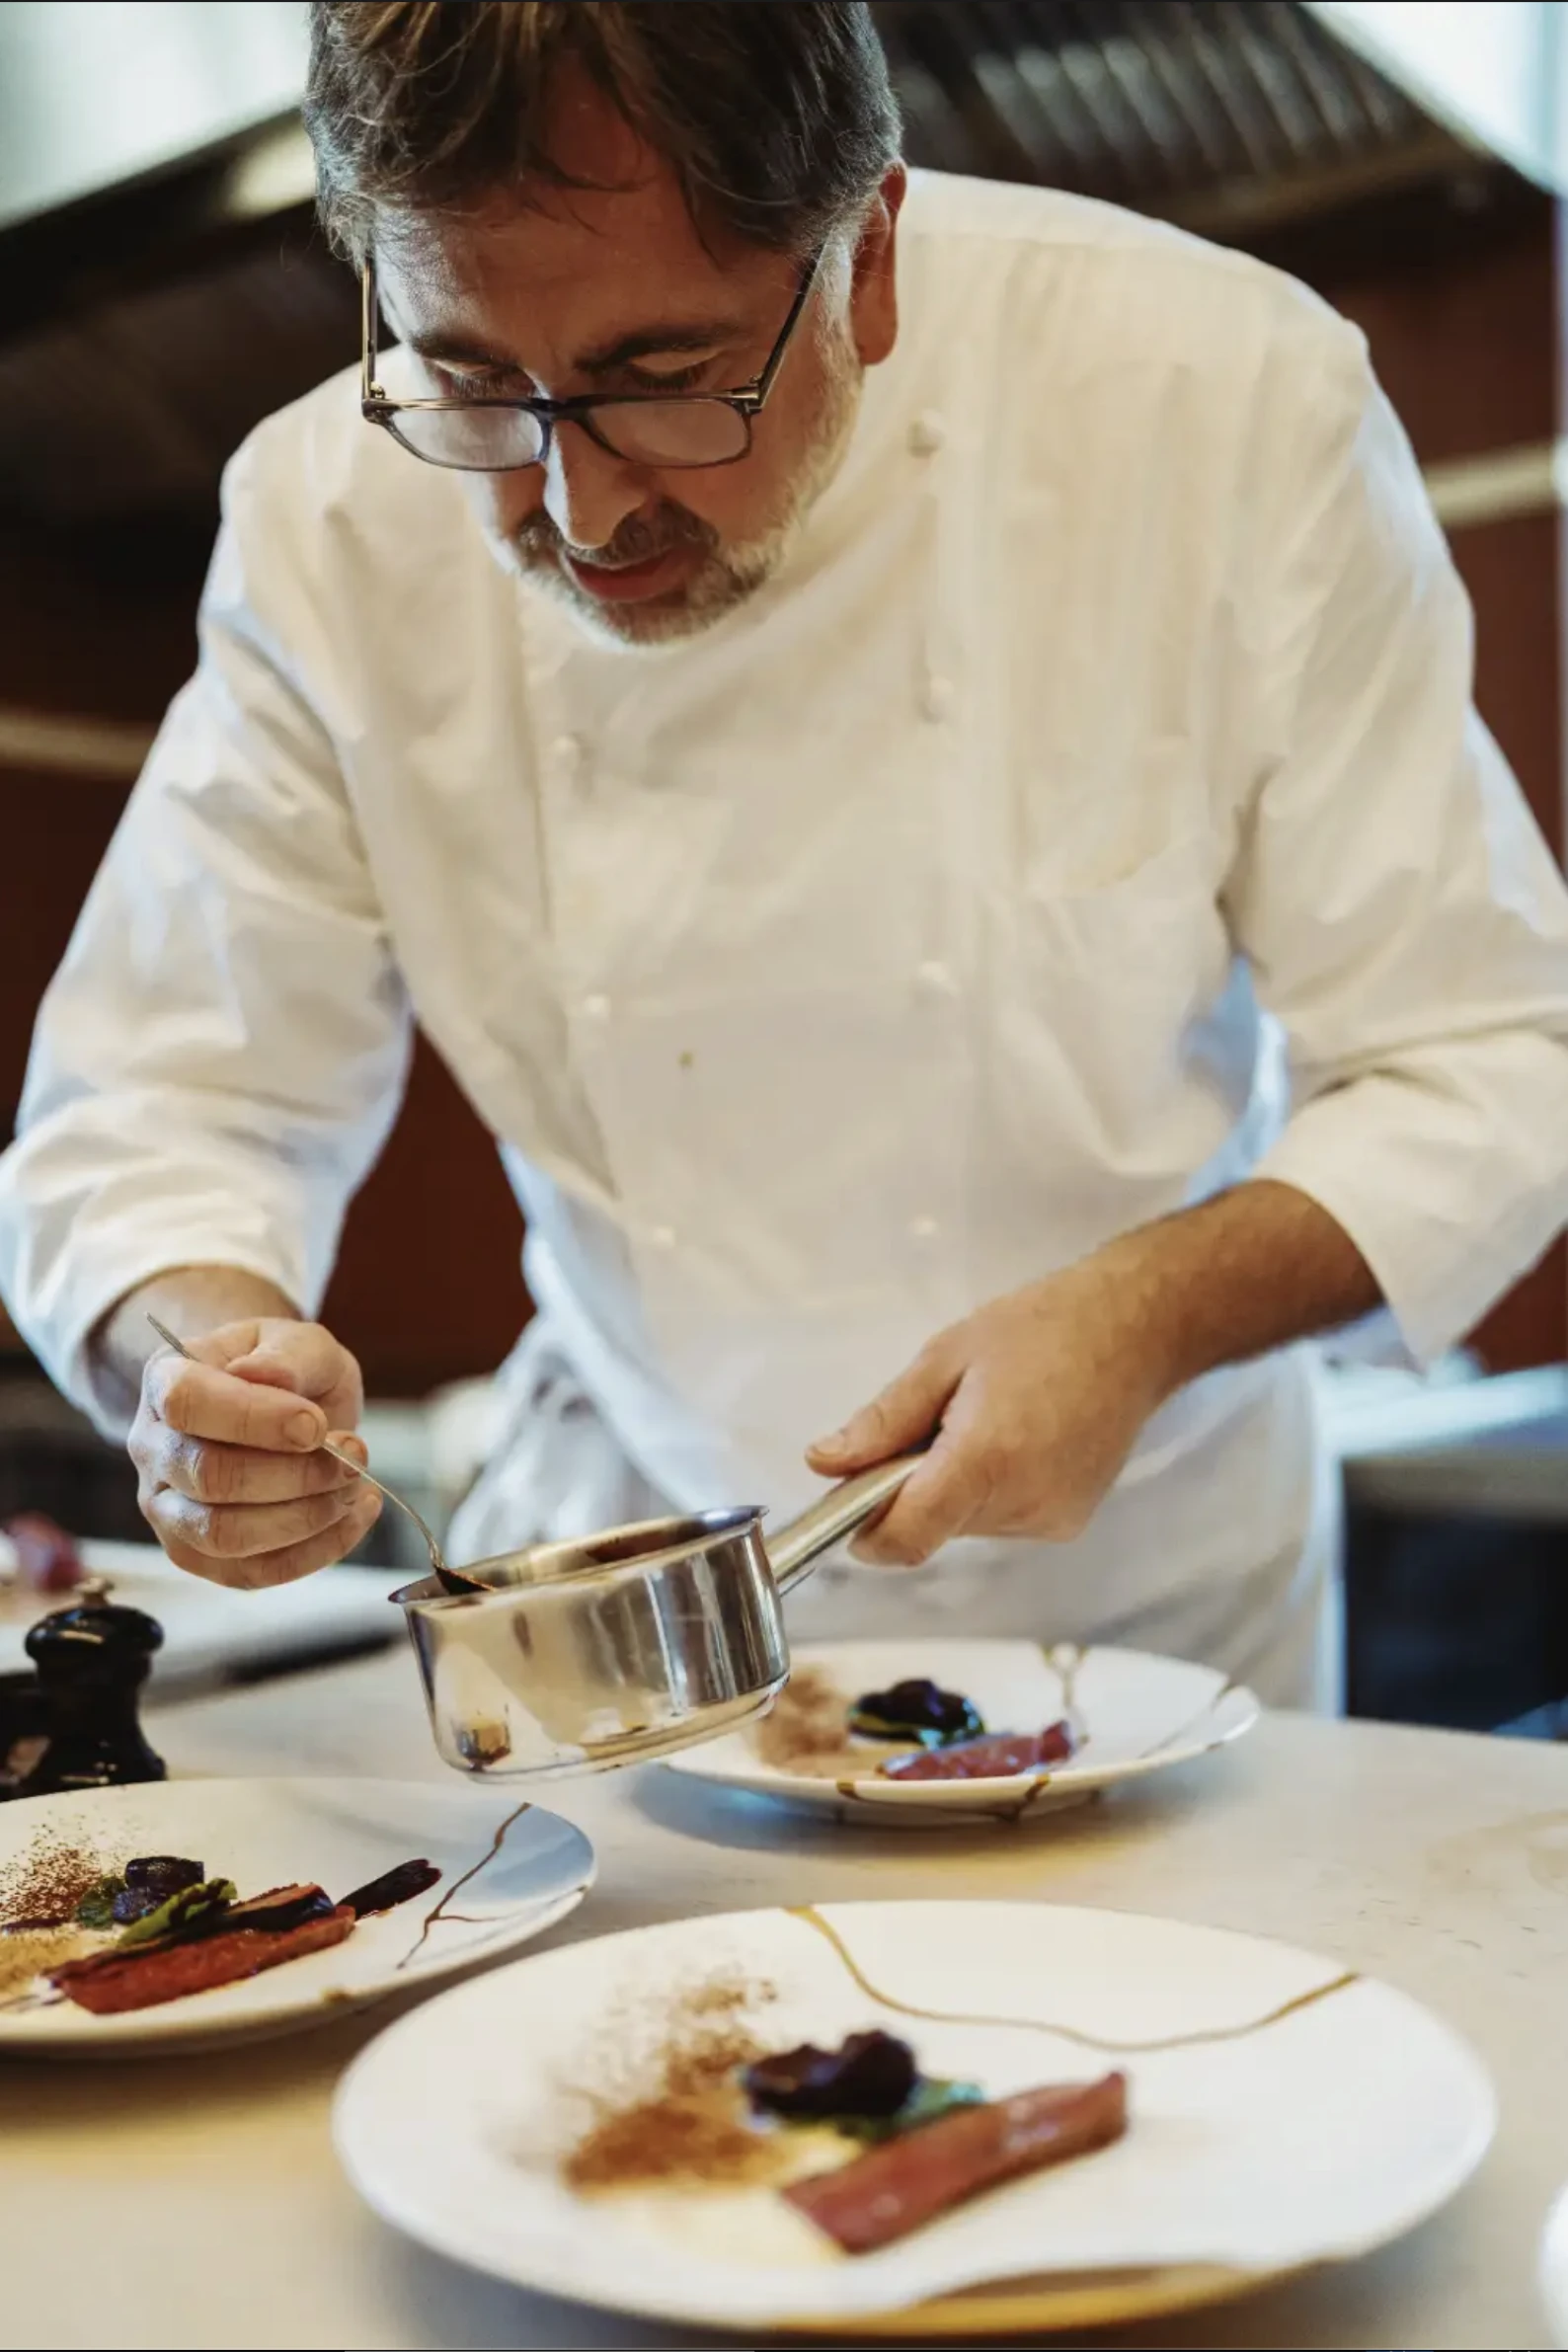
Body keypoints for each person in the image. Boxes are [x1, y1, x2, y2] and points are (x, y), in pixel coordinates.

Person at [3, 1, 1567, 1710]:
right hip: (631, 1629)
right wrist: (206, 1378)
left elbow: (1489, 1055)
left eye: (668, 383)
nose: (583, 514)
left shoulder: (1216, 399)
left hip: (1149, 1632)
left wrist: (1150, 1312)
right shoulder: (322, 517)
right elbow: (160, 1111)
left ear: (870, 255)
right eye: (468, 380)